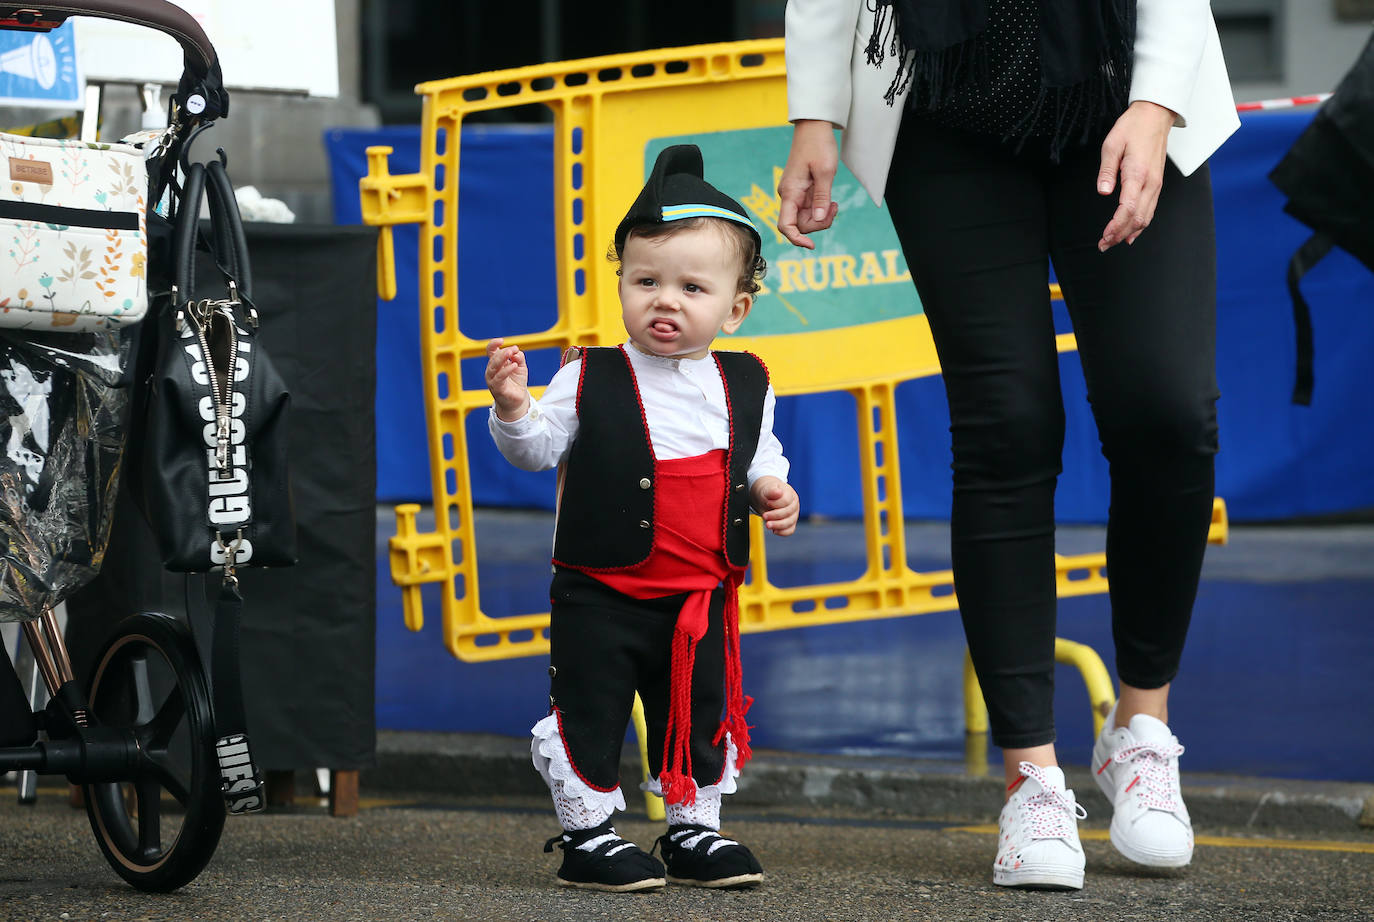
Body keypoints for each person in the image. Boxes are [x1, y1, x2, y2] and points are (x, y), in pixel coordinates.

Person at [779, 0, 1239, 891]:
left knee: (1169, 414)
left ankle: (1139, 733)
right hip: (945, 102)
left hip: (1127, 89)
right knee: (1006, 426)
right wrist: (815, 113)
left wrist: (1154, 108)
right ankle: (1031, 777)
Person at [485, 144, 800, 893]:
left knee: (695, 709)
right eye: (646, 281)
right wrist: (512, 407)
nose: (666, 300)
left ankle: (694, 828)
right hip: (602, 589)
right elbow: (536, 450)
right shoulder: (587, 375)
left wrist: (771, 489)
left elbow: (759, 455)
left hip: (701, 594)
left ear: (736, 307)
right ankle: (588, 836)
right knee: (591, 708)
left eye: (693, 287)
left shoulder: (745, 380)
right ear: (621, 284)